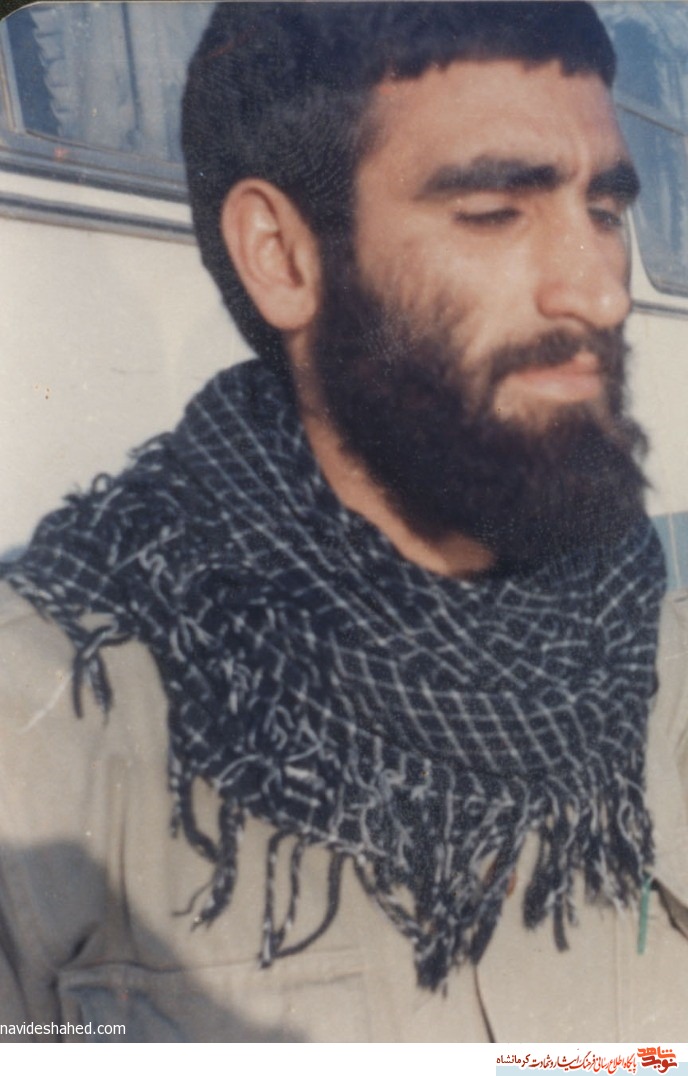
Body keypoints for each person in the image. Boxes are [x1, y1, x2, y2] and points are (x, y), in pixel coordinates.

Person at [0, 0, 687, 1043]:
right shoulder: (53, 735)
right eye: (494, 211)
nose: (598, 292)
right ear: (282, 256)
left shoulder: (656, 650)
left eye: (603, 208)